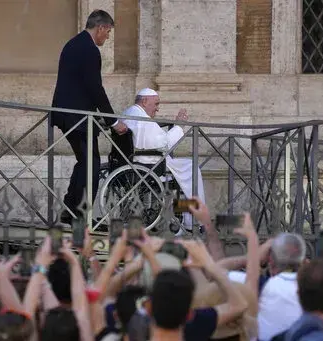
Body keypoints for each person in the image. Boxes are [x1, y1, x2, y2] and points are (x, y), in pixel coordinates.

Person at [50, 9, 128, 225]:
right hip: (78, 118)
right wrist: (113, 121)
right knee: (91, 166)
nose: (108, 37)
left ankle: (70, 210)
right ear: (101, 27)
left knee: (85, 162)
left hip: (70, 115)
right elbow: (95, 89)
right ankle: (80, 216)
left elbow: (80, 86)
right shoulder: (89, 50)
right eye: (108, 32)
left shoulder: (74, 44)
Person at [121, 88, 206, 230]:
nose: (157, 109)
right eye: (156, 104)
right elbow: (164, 144)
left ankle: (187, 219)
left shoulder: (129, 113)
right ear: (144, 101)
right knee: (192, 169)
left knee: (186, 171)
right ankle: (193, 222)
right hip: (150, 164)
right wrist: (179, 126)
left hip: (139, 161)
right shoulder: (142, 118)